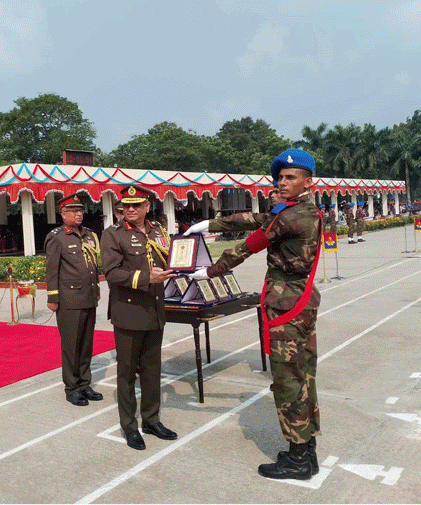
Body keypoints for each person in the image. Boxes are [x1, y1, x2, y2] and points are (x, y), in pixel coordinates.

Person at [184, 148, 322, 480]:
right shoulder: (292, 210)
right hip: (293, 301)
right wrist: (210, 223)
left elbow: (254, 241)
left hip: (288, 304)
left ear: (307, 181)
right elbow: (256, 219)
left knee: (289, 381)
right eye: (280, 177)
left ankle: (299, 459)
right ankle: (306, 451)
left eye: (291, 177)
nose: (283, 182)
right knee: (302, 378)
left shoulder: (294, 216)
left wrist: (210, 271)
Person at [101, 184, 177, 450]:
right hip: (129, 311)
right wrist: (147, 278)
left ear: (147, 207)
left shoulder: (158, 232)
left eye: (136, 205)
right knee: (126, 373)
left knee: (152, 369)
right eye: (126, 206)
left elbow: (171, 260)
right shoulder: (113, 234)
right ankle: (129, 426)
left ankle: (151, 419)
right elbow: (112, 273)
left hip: (155, 309)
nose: (130, 210)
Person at [44, 194, 103, 407]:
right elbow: (52, 270)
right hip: (69, 299)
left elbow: (93, 264)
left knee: (86, 345)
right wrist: (53, 297)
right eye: (73, 211)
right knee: (71, 345)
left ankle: (85, 383)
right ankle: (72, 387)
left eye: (80, 211)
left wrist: (95, 288)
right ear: (63, 214)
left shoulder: (88, 235)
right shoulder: (57, 237)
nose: (78, 214)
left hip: (88, 296)